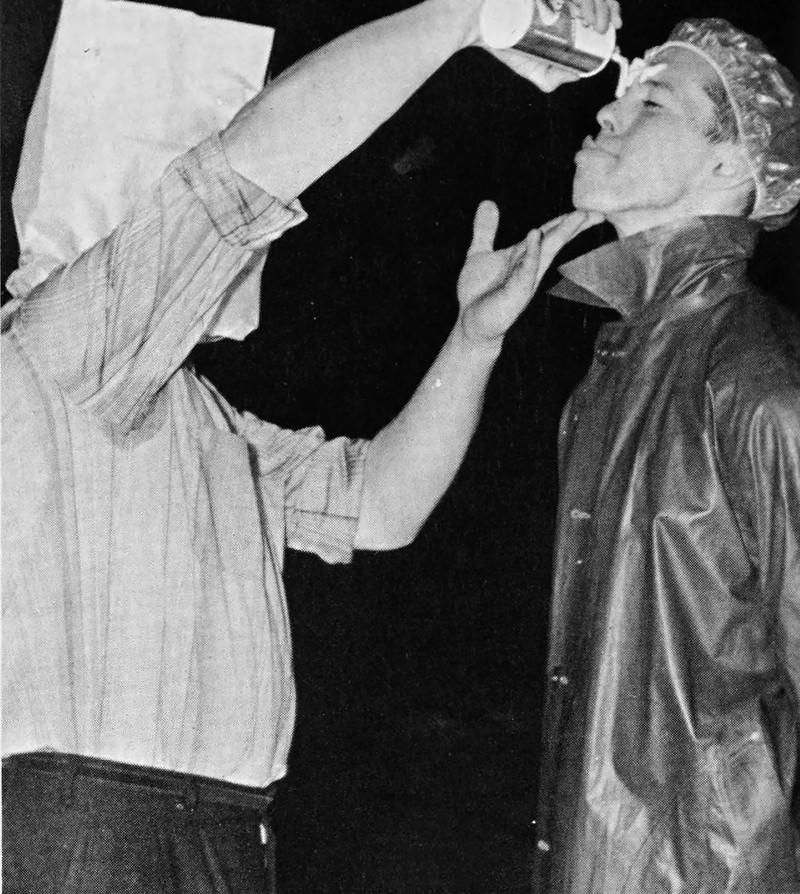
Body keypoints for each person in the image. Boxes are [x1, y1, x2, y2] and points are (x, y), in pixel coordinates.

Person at [1, 0, 620, 891]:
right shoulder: (61, 345)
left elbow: (380, 506)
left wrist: (473, 340)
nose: (247, 248)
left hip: (216, 830)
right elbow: (244, 175)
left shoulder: (197, 418)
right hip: (90, 833)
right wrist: (462, 16)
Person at [532, 17, 800, 894]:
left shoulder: (757, 379)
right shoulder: (618, 367)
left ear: (730, 165)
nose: (605, 115)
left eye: (650, 102)